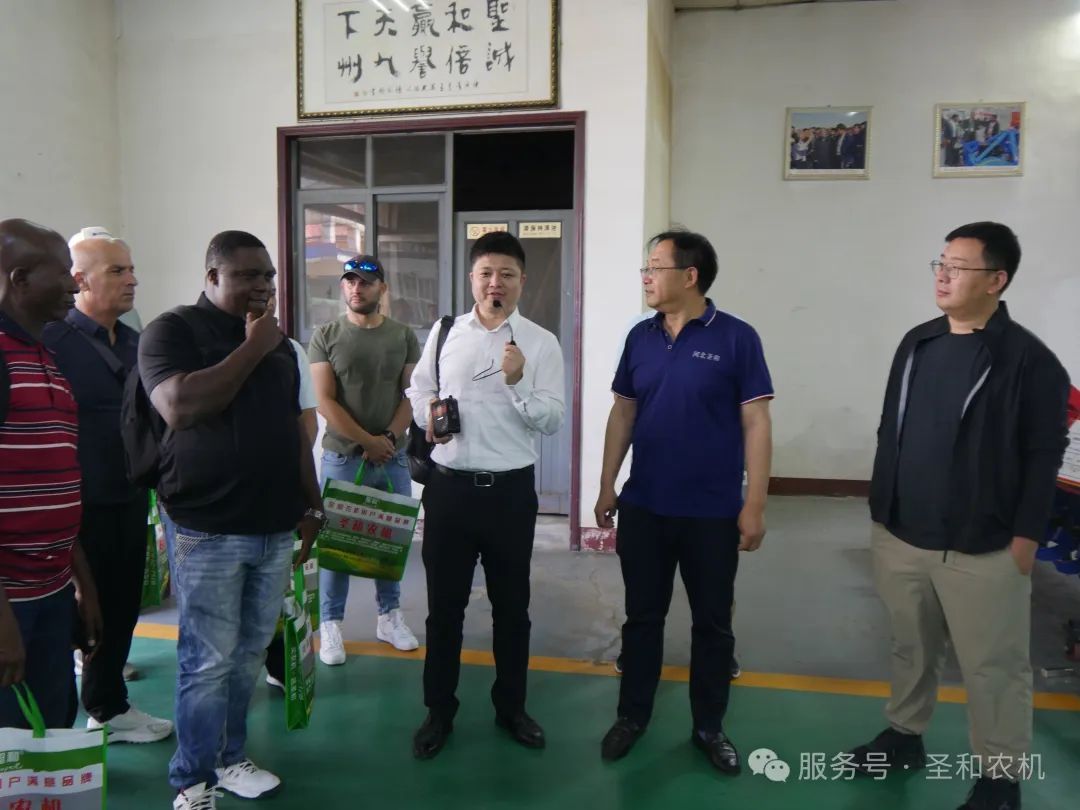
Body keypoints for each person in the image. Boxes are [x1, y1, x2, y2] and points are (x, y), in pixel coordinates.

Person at [850, 222, 1070, 810]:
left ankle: (1000, 778)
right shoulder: (918, 342)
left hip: (983, 545)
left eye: (959, 266)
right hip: (902, 533)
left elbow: (1043, 454)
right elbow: (891, 427)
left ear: (996, 280)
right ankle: (904, 735)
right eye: (940, 264)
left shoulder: (1029, 361)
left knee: (994, 667)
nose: (943, 275)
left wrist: (1025, 537)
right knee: (910, 646)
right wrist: (883, 508)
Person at [137, 231, 324, 810]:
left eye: (268, 275)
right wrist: (253, 347)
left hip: (274, 526)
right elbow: (180, 406)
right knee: (207, 660)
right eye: (247, 275)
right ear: (212, 276)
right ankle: (191, 779)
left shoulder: (279, 345)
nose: (262, 285)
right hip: (207, 527)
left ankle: (229, 756)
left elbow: (295, 430)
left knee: (246, 656)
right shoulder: (172, 331)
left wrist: (311, 502)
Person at [594, 229, 773, 774]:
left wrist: (755, 503)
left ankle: (708, 728)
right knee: (642, 619)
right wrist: (607, 484)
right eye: (645, 267)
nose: (646, 277)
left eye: (655, 267)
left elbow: (756, 421)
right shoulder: (640, 337)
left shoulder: (737, 338)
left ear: (690, 276)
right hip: (646, 506)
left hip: (712, 512)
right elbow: (623, 412)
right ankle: (632, 717)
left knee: (712, 625)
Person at [405, 231, 565, 760]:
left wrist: (518, 382)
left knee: (512, 609)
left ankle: (511, 708)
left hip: (509, 494)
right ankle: (438, 711)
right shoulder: (445, 331)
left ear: (522, 281)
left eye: (507, 275)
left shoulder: (540, 343)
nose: (496, 283)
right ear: (472, 278)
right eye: (486, 273)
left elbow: (552, 419)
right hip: (449, 491)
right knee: (443, 611)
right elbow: (420, 387)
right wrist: (429, 414)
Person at [42, 227, 173, 743]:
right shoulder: (52, 342)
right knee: (73, 614)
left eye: (131, 269)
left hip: (128, 497)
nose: (132, 280)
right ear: (79, 280)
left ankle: (107, 707)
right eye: (117, 271)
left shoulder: (139, 344)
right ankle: (54, 729)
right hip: (71, 509)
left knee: (121, 607)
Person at [0, 219, 102, 729]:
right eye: (62, 272)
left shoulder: (47, 359)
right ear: (19, 279)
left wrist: (82, 585)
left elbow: (58, 482)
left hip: (52, 592)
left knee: (54, 732)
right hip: (9, 603)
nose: (74, 284)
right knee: (12, 745)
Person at [309, 255, 421, 664]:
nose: (357, 288)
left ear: (382, 289)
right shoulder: (326, 335)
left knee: (390, 542)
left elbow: (412, 394)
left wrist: (387, 439)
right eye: (350, 281)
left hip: (392, 457)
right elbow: (324, 401)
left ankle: (389, 616)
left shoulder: (403, 336)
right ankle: (331, 624)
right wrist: (366, 441)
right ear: (343, 287)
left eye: (366, 282)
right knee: (337, 545)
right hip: (343, 457)